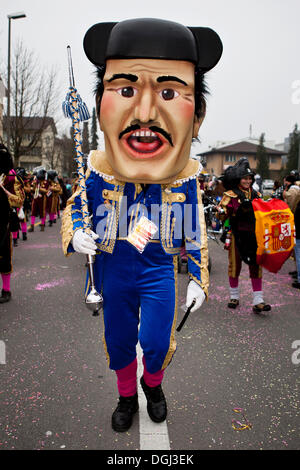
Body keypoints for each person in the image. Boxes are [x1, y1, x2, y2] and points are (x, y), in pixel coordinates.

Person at [62, 18, 222, 432]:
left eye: (169, 93)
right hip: (114, 271)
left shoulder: (183, 176)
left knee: (154, 342)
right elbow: (77, 206)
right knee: (118, 342)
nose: (146, 112)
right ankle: (126, 395)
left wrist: (199, 279)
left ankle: (153, 385)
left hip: (156, 271)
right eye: (126, 90)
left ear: (195, 114)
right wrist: (78, 231)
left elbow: (194, 231)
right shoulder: (98, 170)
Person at [217, 158, 271, 313]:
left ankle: (258, 300)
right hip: (236, 236)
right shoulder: (230, 195)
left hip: (254, 236)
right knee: (235, 266)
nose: (247, 181)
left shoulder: (257, 194)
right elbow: (222, 216)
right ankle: (234, 296)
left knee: (256, 265)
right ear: (238, 179)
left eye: (249, 178)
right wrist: (220, 211)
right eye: (244, 178)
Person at [0, 144, 24, 302]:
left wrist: (4, 191)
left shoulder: (11, 178)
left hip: (3, 221)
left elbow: (19, 200)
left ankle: (6, 290)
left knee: (3, 256)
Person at [283, 174, 300, 285]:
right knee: (297, 252)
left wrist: (284, 194)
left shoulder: (293, 191)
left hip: (297, 225)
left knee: (298, 252)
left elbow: (291, 201)